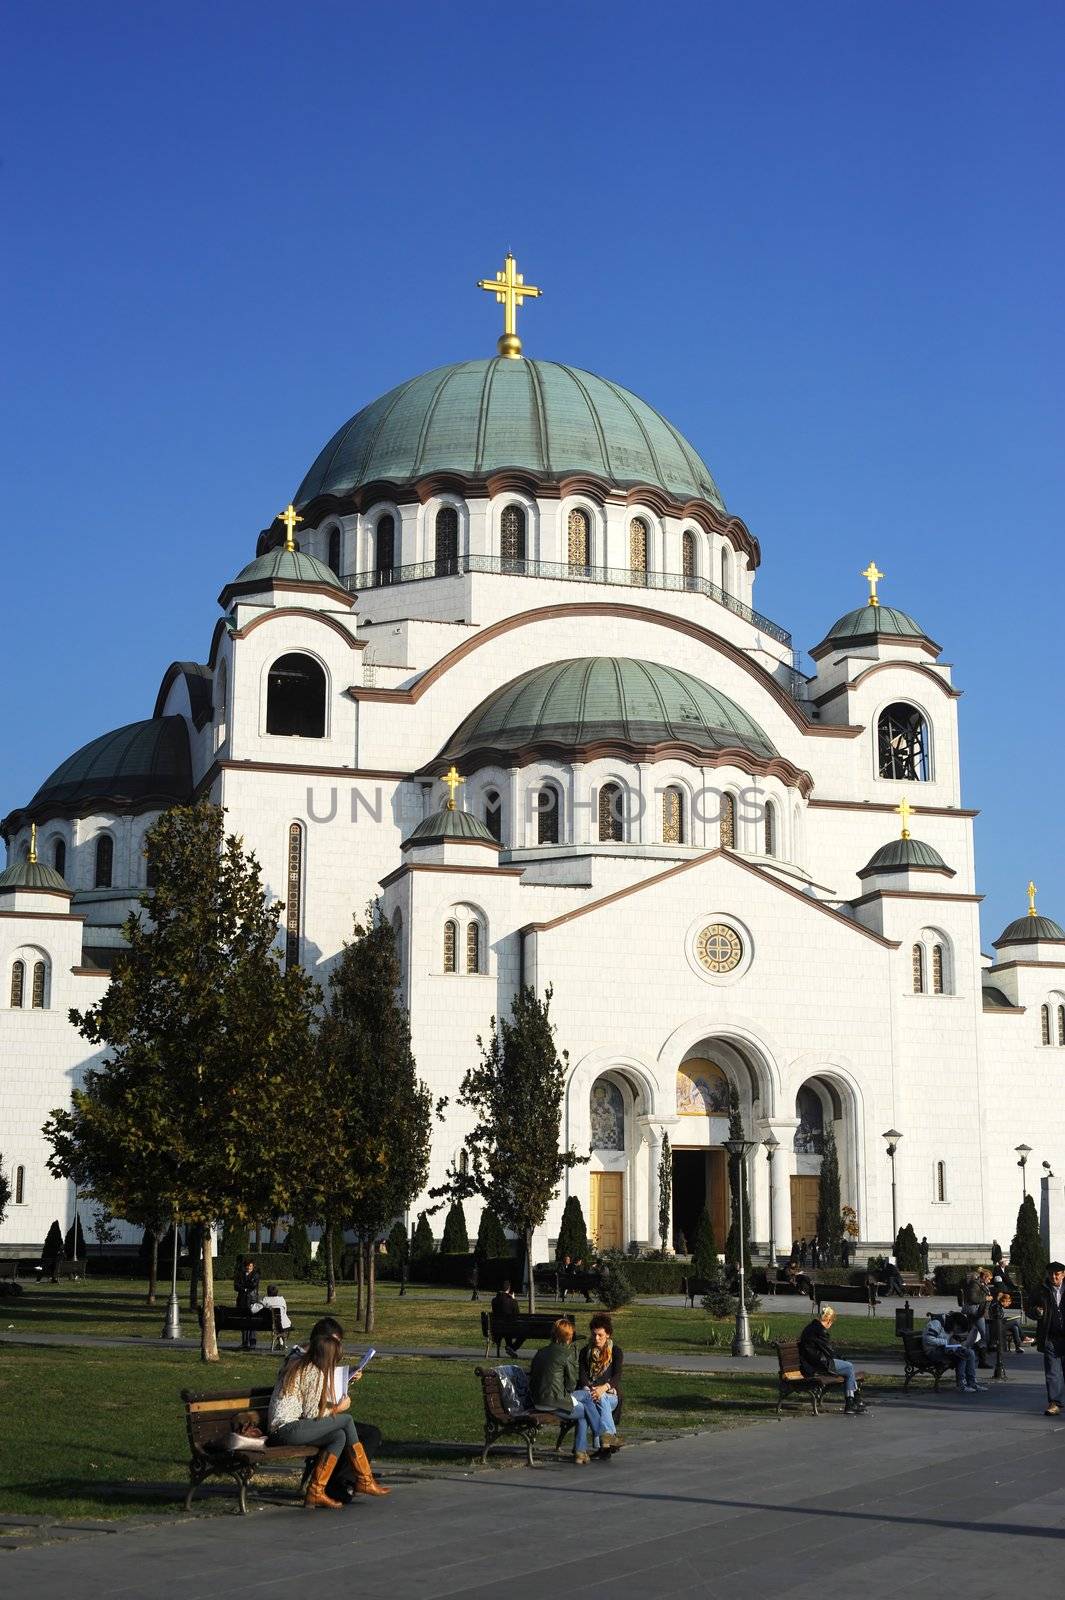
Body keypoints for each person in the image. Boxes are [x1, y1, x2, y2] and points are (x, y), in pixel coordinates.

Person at [268, 1317, 389, 1507]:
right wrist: (338, 1408)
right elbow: (311, 1413)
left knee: (338, 1436)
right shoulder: (311, 1370)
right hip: (286, 1428)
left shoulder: (308, 1366)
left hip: (292, 1427)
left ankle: (316, 1491)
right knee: (346, 1419)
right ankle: (364, 1479)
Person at [529, 1318, 610, 1464]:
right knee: (586, 1409)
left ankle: (583, 1451)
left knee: (586, 1398)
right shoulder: (566, 1354)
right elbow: (571, 1385)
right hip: (554, 1402)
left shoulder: (540, 1352)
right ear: (569, 1336)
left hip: (537, 1400)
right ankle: (599, 1437)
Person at [797, 1306, 866, 1415]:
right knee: (849, 1367)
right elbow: (829, 1352)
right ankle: (851, 1402)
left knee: (847, 1367)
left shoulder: (811, 1327)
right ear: (829, 1320)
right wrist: (843, 1360)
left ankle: (854, 1399)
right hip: (819, 1364)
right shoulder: (821, 1331)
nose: (831, 1325)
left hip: (810, 1363)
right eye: (831, 1322)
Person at [577, 1313, 624, 1458]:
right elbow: (583, 1375)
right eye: (594, 1335)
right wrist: (590, 1390)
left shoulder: (615, 1351)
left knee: (602, 1397)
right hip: (591, 1394)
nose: (596, 1338)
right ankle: (607, 1440)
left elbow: (617, 1376)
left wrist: (603, 1388)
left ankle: (603, 1442)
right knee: (598, 1399)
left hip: (611, 1395)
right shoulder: (585, 1352)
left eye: (600, 1335)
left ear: (608, 1334)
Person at [1031, 1261, 1065, 1415]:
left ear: (1063, 1274)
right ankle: (1055, 1403)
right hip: (1050, 1336)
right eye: (1050, 1274)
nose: (1053, 1277)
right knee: (1052, 1371)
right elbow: (1029, 1308)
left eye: (1056, 1274)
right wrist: (1036, 1312)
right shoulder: (1041, 1290)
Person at [922, 1312, 982, 1393]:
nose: (956, 1331)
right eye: (958, 1328)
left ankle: (972, 1383)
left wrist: (956, 1343)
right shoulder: (936, 1323)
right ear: (955, 1323)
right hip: (932, 1351)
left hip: (943, 1349)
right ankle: (960, 1384)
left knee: (970, 1352)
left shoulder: (948, 1325)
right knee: (962, 1355)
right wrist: (946, 1343)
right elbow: (928, 1339)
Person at [234, 1257, 260, 1349]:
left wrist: (243, 1287)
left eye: (250, 1266)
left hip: (252, 1300)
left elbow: (253, 1285)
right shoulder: (240, 1275)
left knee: (252, 1321)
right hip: (242, 1301)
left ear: (253, 1267)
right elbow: (236, 1286)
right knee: (244, 1321)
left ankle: (252, 1342)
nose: (248, 1267)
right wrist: (244, 1288)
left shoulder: (255, 1275)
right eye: (247, 1266)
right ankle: (245, 1342)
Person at [491, 1279, 522, 1356]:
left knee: (505, 1327)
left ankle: (510, 1348)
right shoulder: (512, 1301)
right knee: (523, 1334)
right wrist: (513, 1299)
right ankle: (512, 1348)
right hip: (510, 1328)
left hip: (497, 1328)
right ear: (509, 1288)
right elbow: (517, 1314)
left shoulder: (494, 1301)